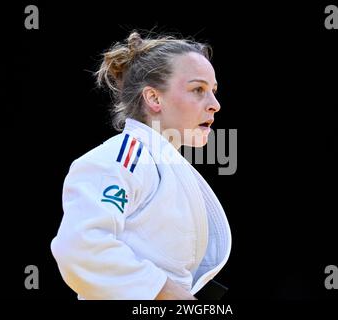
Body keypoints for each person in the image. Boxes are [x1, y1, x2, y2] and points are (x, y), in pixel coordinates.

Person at [51, 31, 231, 300]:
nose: (215, 105)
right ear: (154, 99)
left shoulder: (164, 164)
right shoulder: (118, 159)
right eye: (198, 90)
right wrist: (169, 294)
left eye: (213, 92)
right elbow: (81, 246)